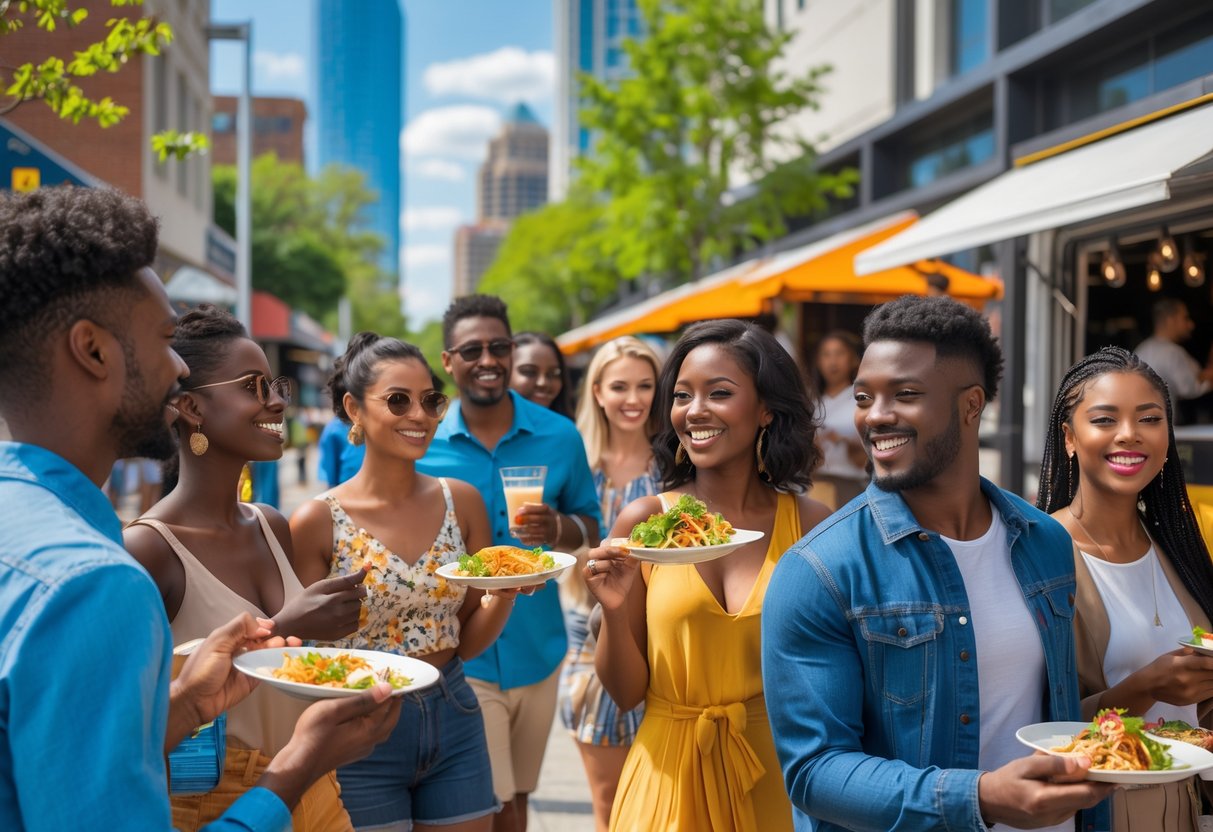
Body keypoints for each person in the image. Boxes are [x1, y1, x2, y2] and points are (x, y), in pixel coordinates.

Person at [0, 185, 400, 831]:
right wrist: (294, 769)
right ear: (93, 350)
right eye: (164, 340)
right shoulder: (96, 583)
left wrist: (186, 703)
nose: (177, 368)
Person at [762, 295, 1112, 832]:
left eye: (905, 394)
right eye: (863, 397)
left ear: (972, 405)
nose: (875, 416)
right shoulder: (818, 569)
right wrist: (979, 798)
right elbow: (814, 771)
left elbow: (1061, 712)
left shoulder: (1045, 541)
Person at [123, 305, 370, 830]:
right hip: (215, 801)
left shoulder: (271, 523)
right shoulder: (148, 550)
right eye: (254, 386)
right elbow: (127, 722)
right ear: (190, 407)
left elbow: (291, 670)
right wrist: (287, 624)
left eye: (274, 384)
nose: (278, 401)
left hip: (315, 784)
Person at [583, 319, 831, 832]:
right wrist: (611, 606)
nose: (694, 411)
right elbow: (626, 694)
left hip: (775, 777)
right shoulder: (644, 523)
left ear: (765, 408)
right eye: (681, 395)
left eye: (719, 393)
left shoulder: (811, 523)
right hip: (665, 779)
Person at [291, 332, 517, 831]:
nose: (420, 415)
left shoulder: (463, 502)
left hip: (453, 709)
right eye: (398, 400)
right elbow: (306, 652)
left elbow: (464, 642)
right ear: (354, 408)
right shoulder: (316, 521)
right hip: (357, 727)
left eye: (431, 401)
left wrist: (504, 596)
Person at [418, 294, 601, 832]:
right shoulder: (423, 442)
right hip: (463, 651)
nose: (489, 359)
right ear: (449, 361)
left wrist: (559, 528)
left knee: (519, 798)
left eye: (500, 346)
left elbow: (592, 523)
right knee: (489, 801)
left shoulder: (559, 435)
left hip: (539, 649)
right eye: (472, 349)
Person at [1037, 346, 1213, 832]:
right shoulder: (1040, 554)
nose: (1130, 434)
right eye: (1105, 419)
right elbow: (1037, 723)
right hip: (1098, 814)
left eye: (1149, 418)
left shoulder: (1179, 547)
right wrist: (1143, 689)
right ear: (1070, 437)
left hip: (1185, 809)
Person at [558, 336, 662, 832]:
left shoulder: (677, 466)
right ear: (597, 391)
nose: (633, 398)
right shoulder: (577, 467)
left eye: (646, 385)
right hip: (587, 636)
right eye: (619, 386)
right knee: (610, 804)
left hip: (667, 639)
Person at [810, 331, 868, 506]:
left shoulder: (861, 400)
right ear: (819, 362)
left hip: (852, 486)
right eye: (826, 355)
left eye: (839, 354)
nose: (833, 362)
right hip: (817, 485)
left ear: (854, 360)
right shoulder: (813, 405)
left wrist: (848, 443)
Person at [1135, 298, 1213, 423]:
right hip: (1161, 429)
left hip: (1138, 427)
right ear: (1171, 320)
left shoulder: (1140, 350)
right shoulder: (1172, 352)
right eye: (1185, 318)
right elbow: (1190, 387)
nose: (1191, 325)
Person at [510, 331, 573, 418]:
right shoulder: (488, 429)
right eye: (529, 371)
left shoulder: (569, 430)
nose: (543, 383)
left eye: (553, 373)